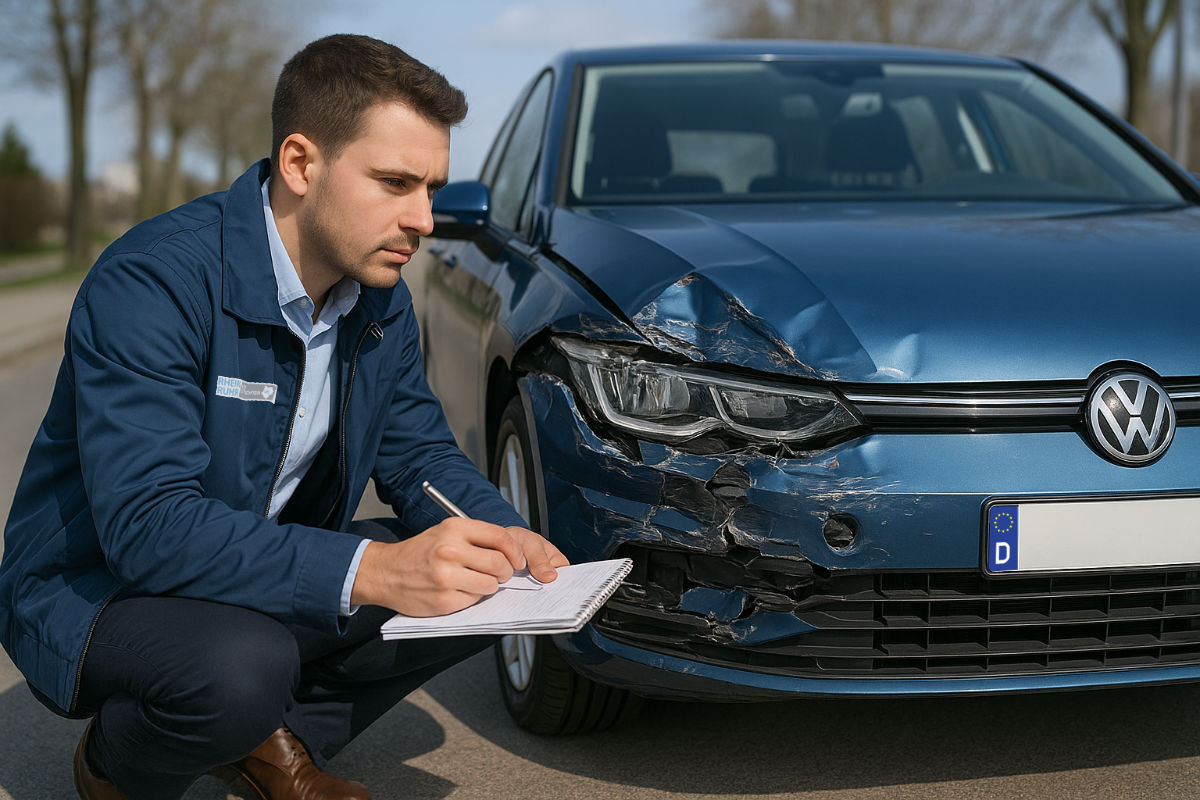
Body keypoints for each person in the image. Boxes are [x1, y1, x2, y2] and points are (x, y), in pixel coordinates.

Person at [0, 33, 567, 800]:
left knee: (480, 577)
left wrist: (509, 538)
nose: (424, 220)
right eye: (396, 182)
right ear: (301, 163)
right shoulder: (153, 281)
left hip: (247, 564)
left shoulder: (380, 300)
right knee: (244, 668)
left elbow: (419, 456)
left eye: (432, 187)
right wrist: (374, 570)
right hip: (98, 587)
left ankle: (275, 743)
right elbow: (149, 525)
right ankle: (118, 763)